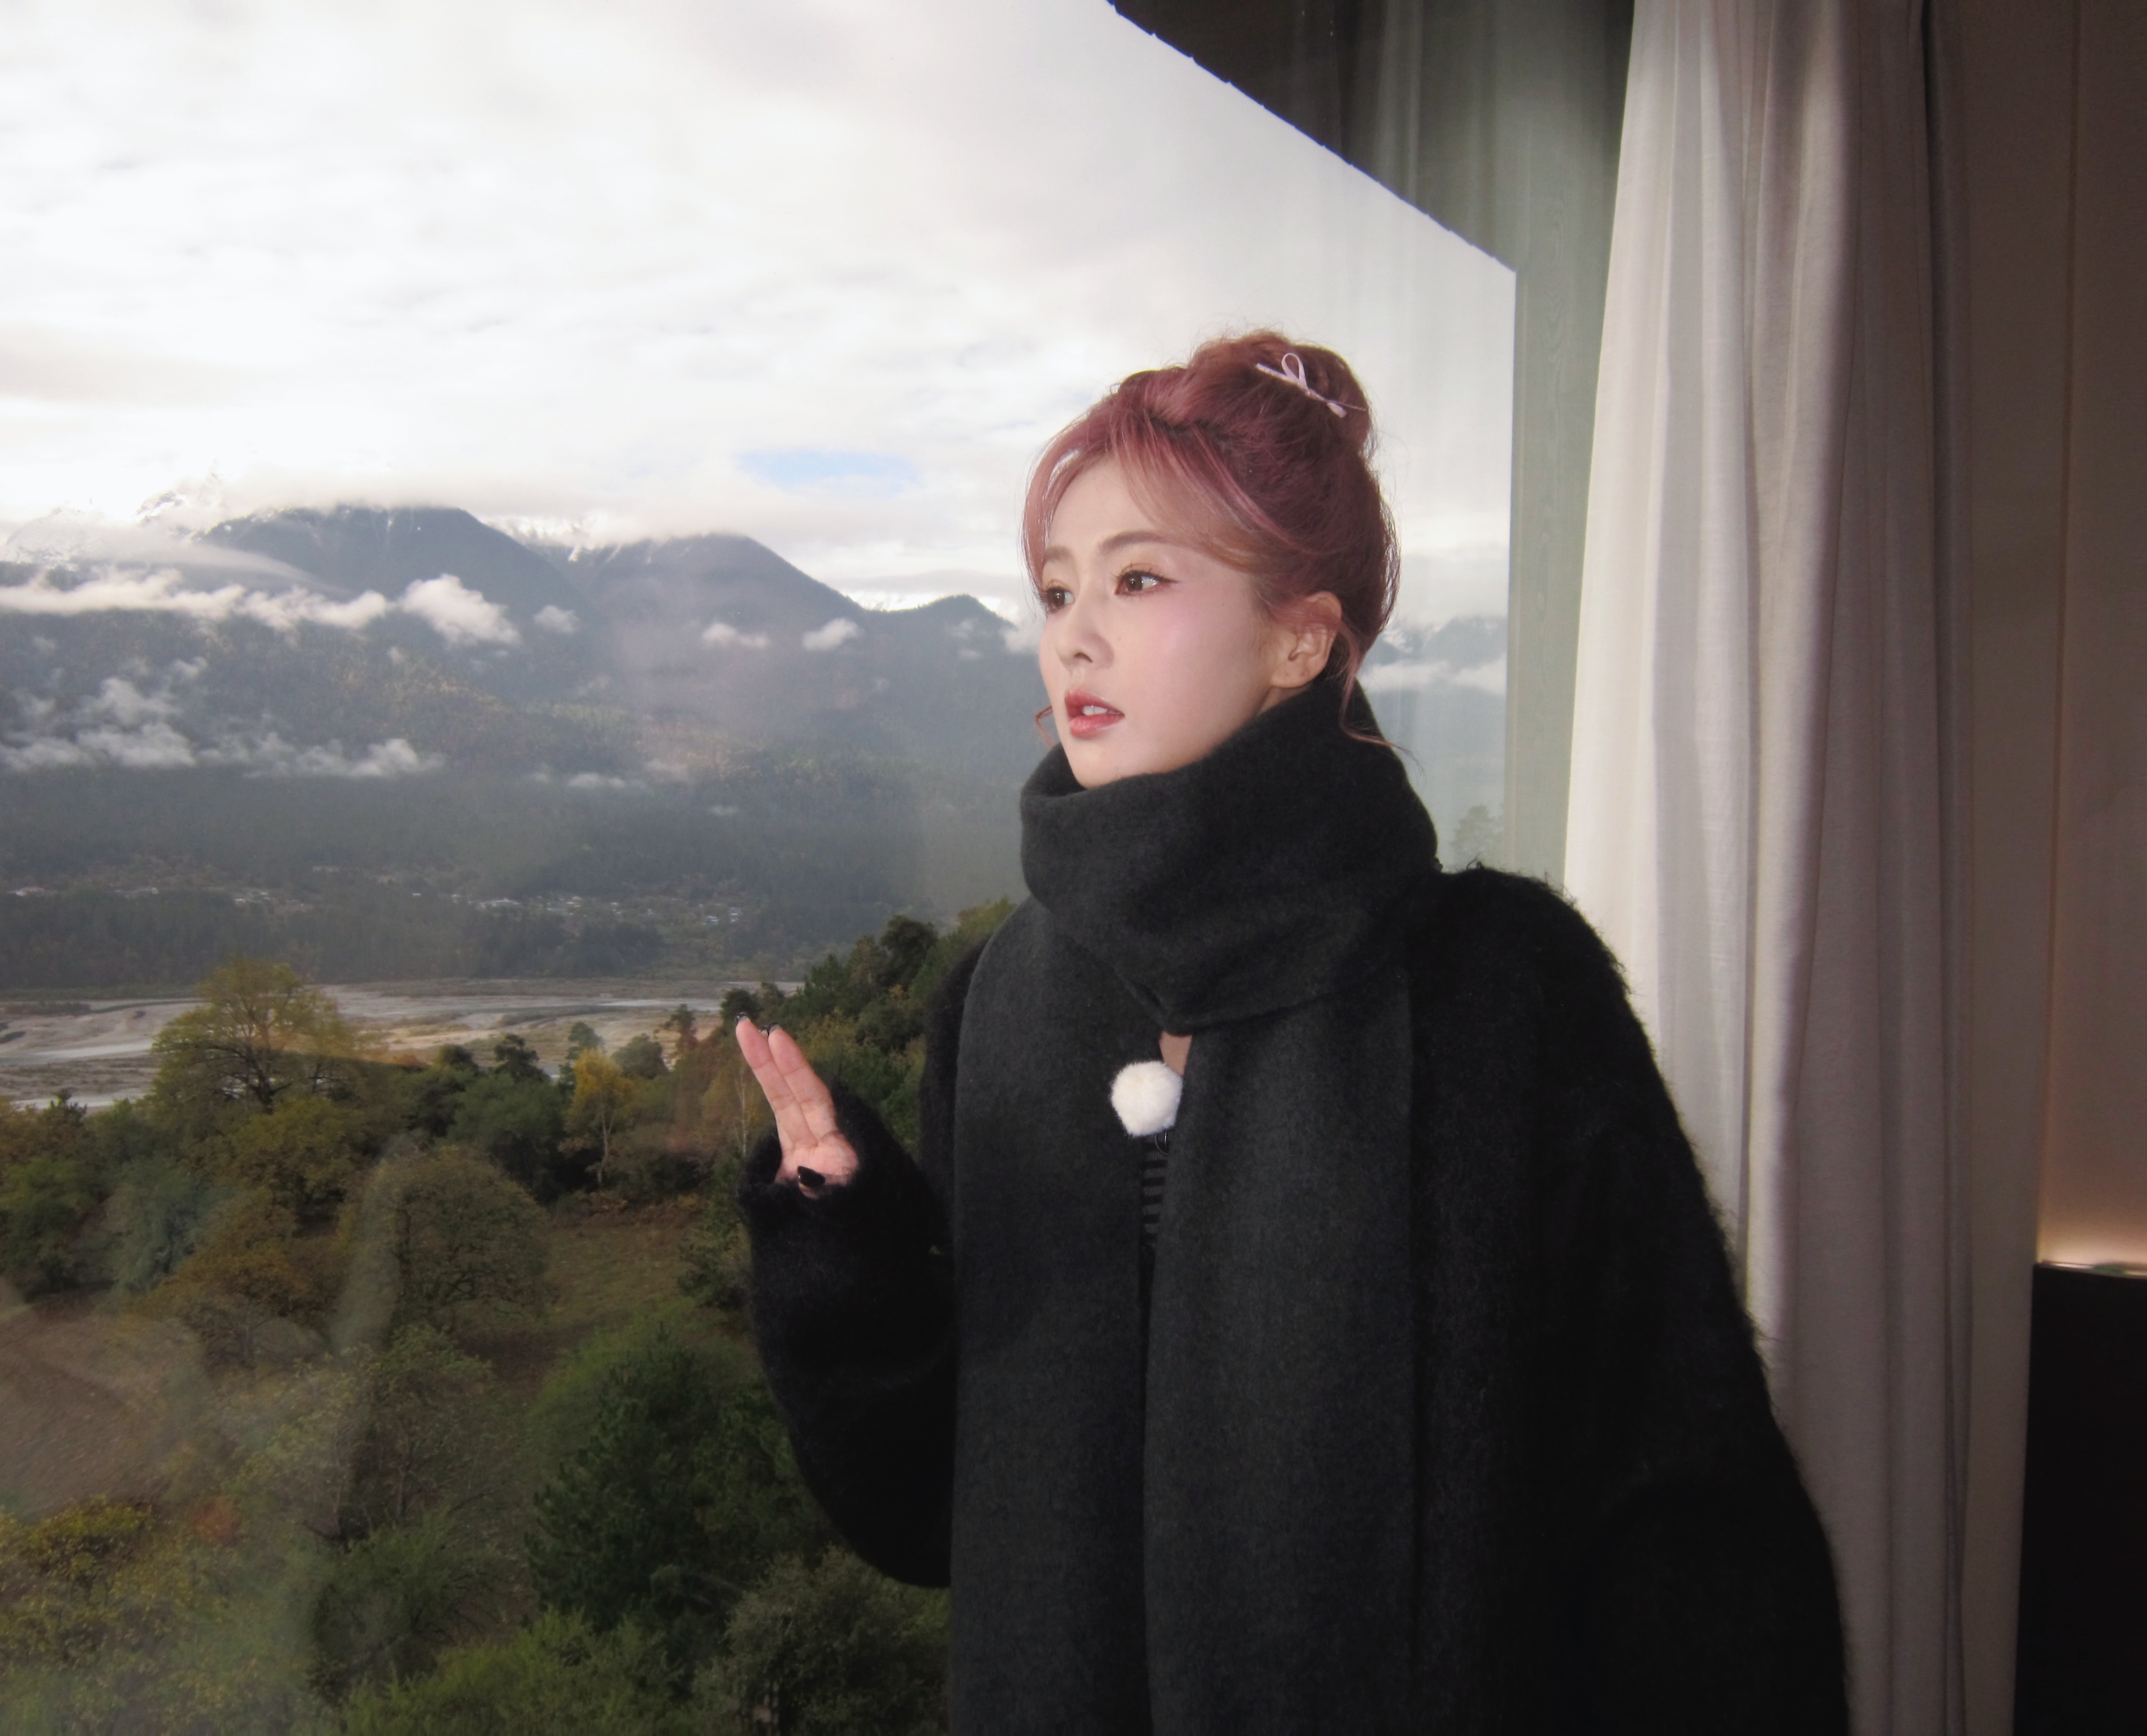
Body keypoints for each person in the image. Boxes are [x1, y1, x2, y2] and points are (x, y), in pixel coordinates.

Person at [732, 332, 1847, 1732]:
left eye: (1139, 579)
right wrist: (843, 1252)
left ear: (1300, 639)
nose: (1074, 634)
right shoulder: (1002, 1006)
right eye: (1059, 589)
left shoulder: (1499, 995)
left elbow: (1685, 1525)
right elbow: (926, 1515)